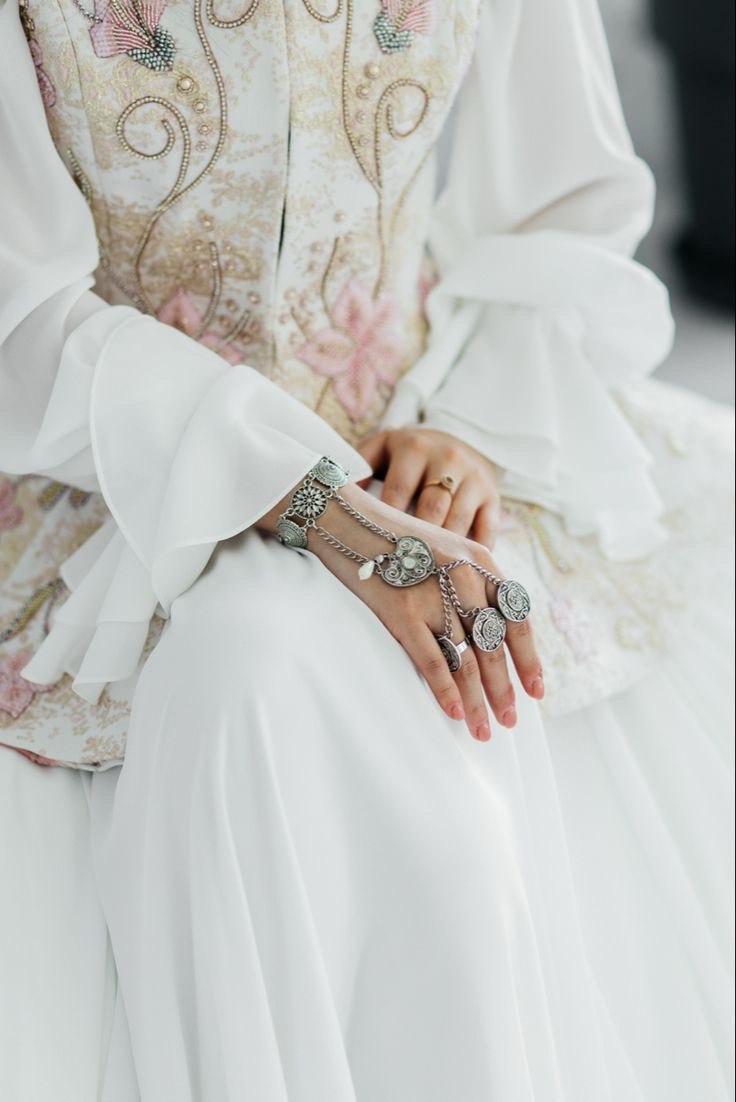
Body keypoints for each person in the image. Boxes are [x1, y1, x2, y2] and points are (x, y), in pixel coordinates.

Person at [0, 0, 733, 1098]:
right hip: (102, 475)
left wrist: (473, 428)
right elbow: (18, 316)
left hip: (430, 437)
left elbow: (565, 202)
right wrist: (322, 507)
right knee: (251, 682)